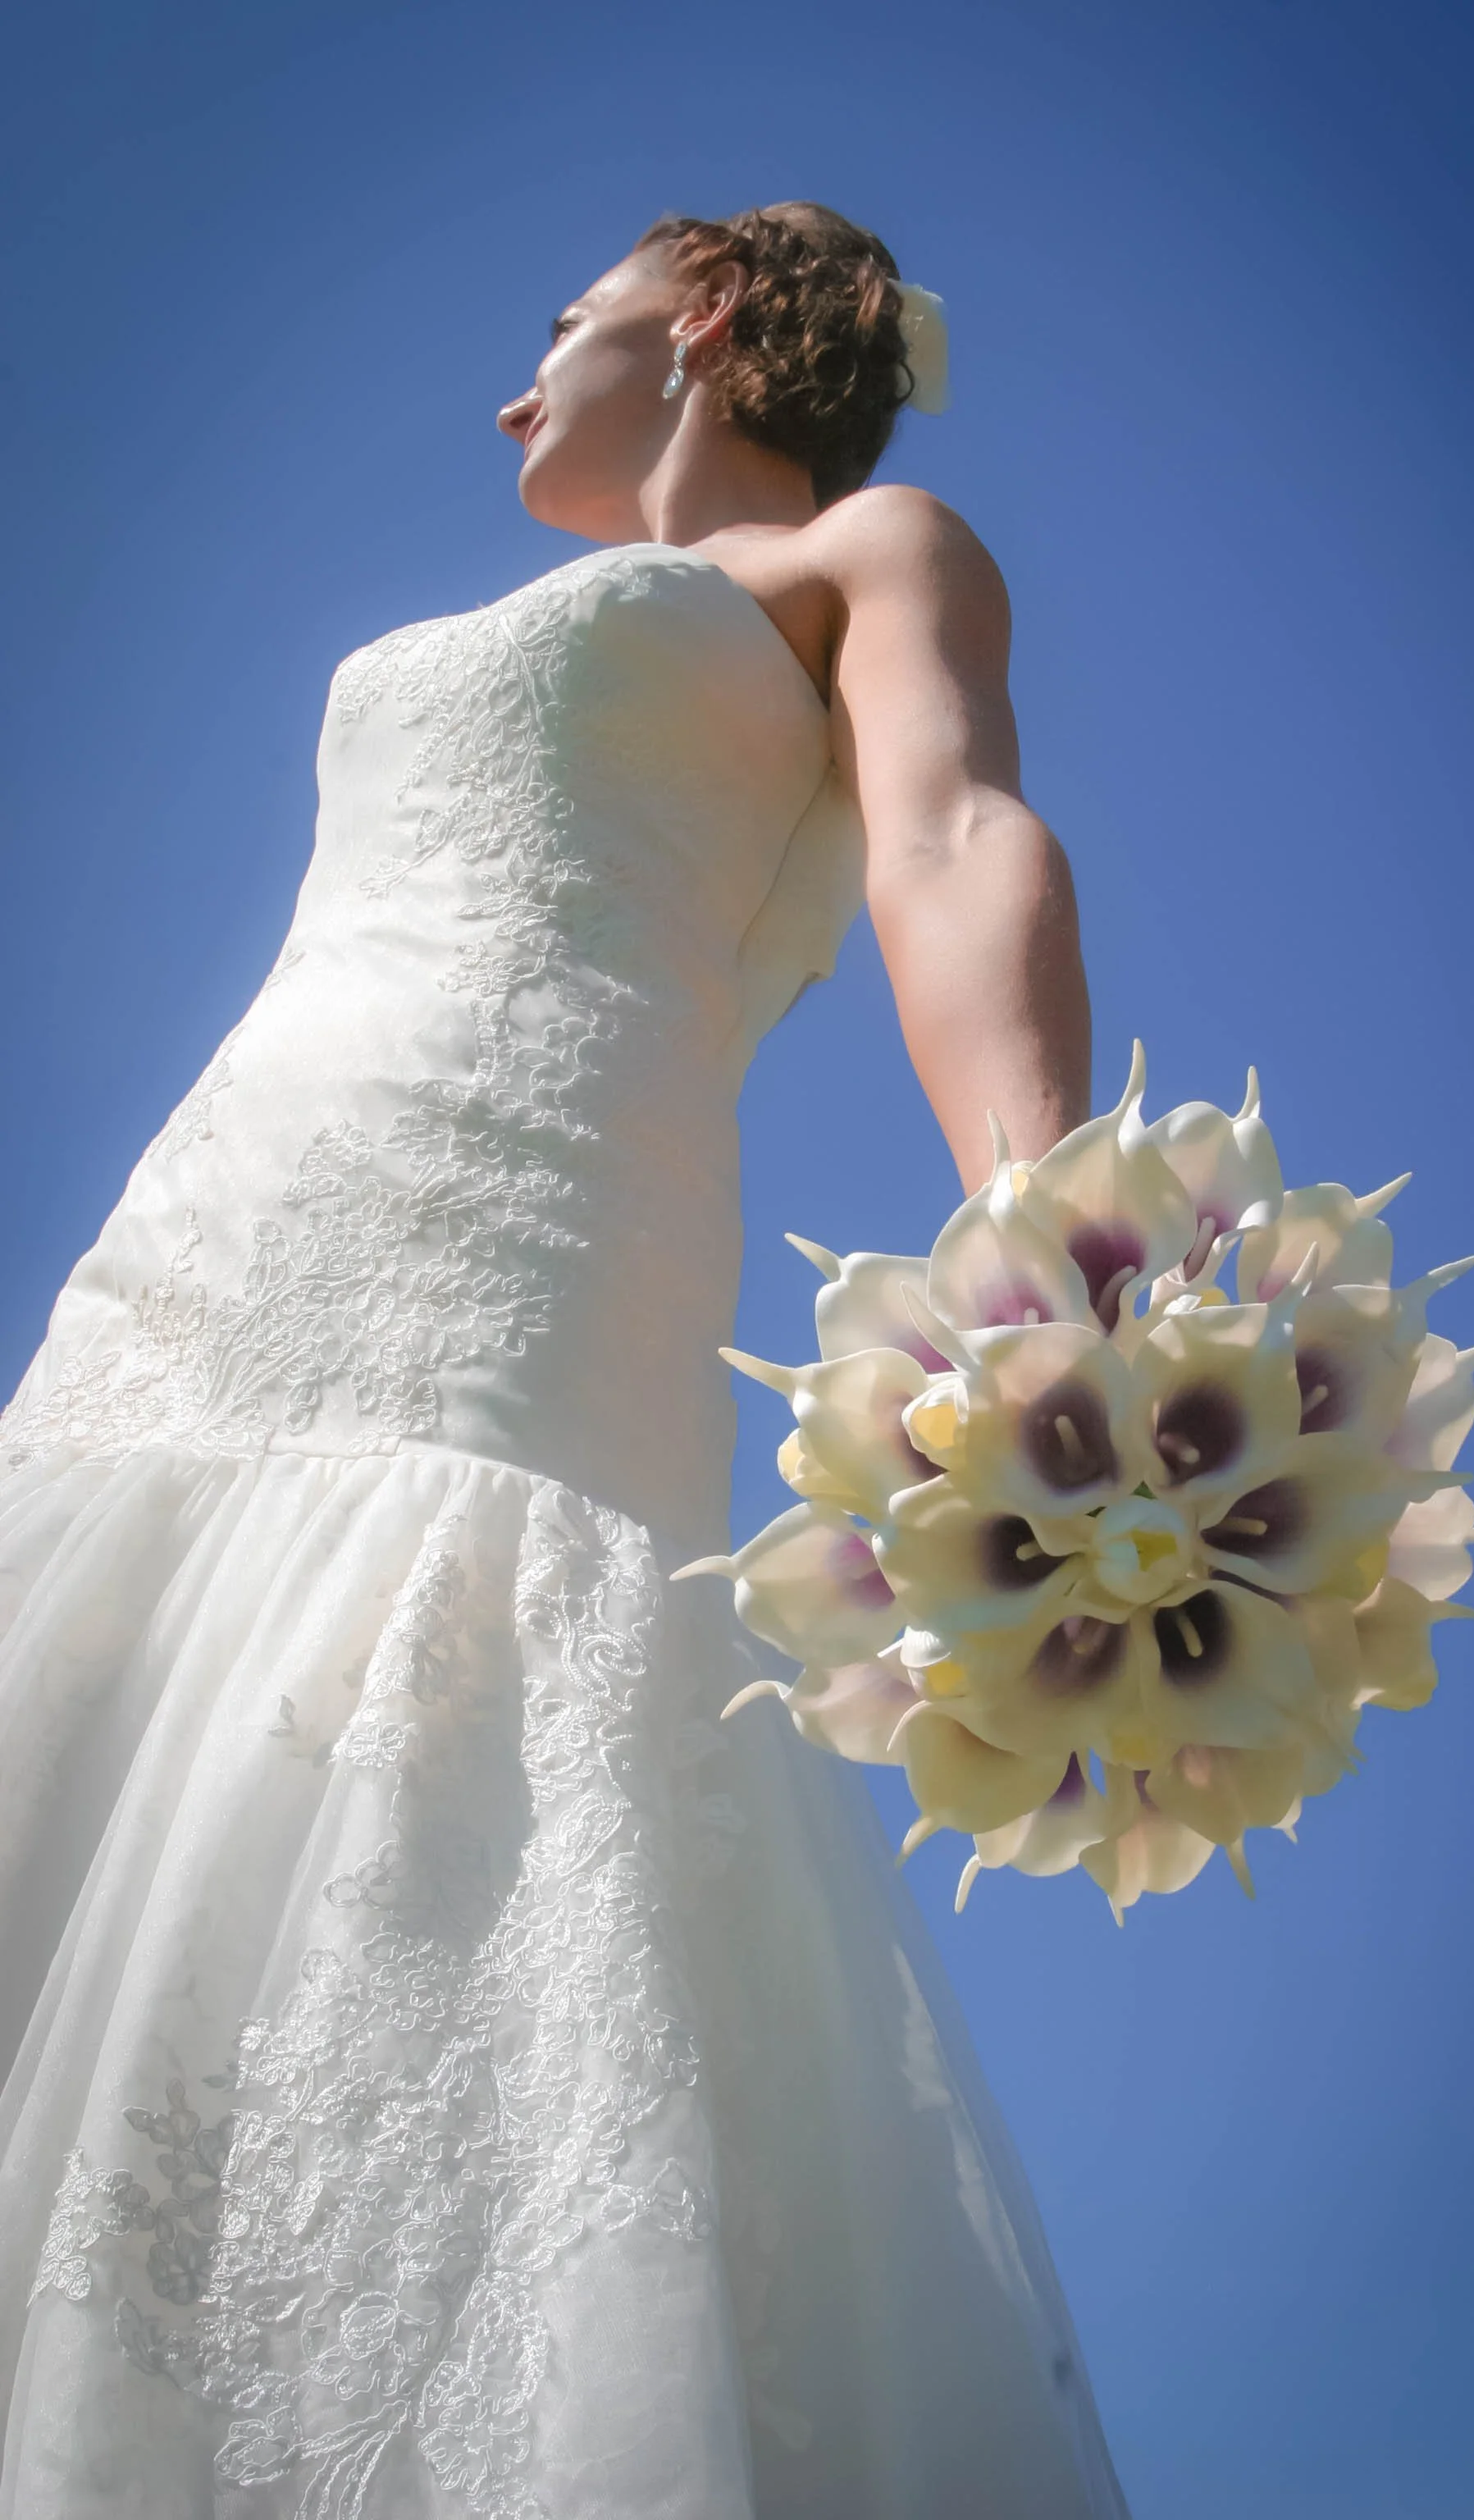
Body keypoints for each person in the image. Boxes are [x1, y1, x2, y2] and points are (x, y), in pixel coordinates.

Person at [0, 201, 1126, 2517]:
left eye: (567, 326)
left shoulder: (869, 551)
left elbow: (958, 831)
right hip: (221, 1225)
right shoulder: (540, 592)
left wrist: (1062, 1260)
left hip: (528, 1239)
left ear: (705, 319)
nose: (521, 387)